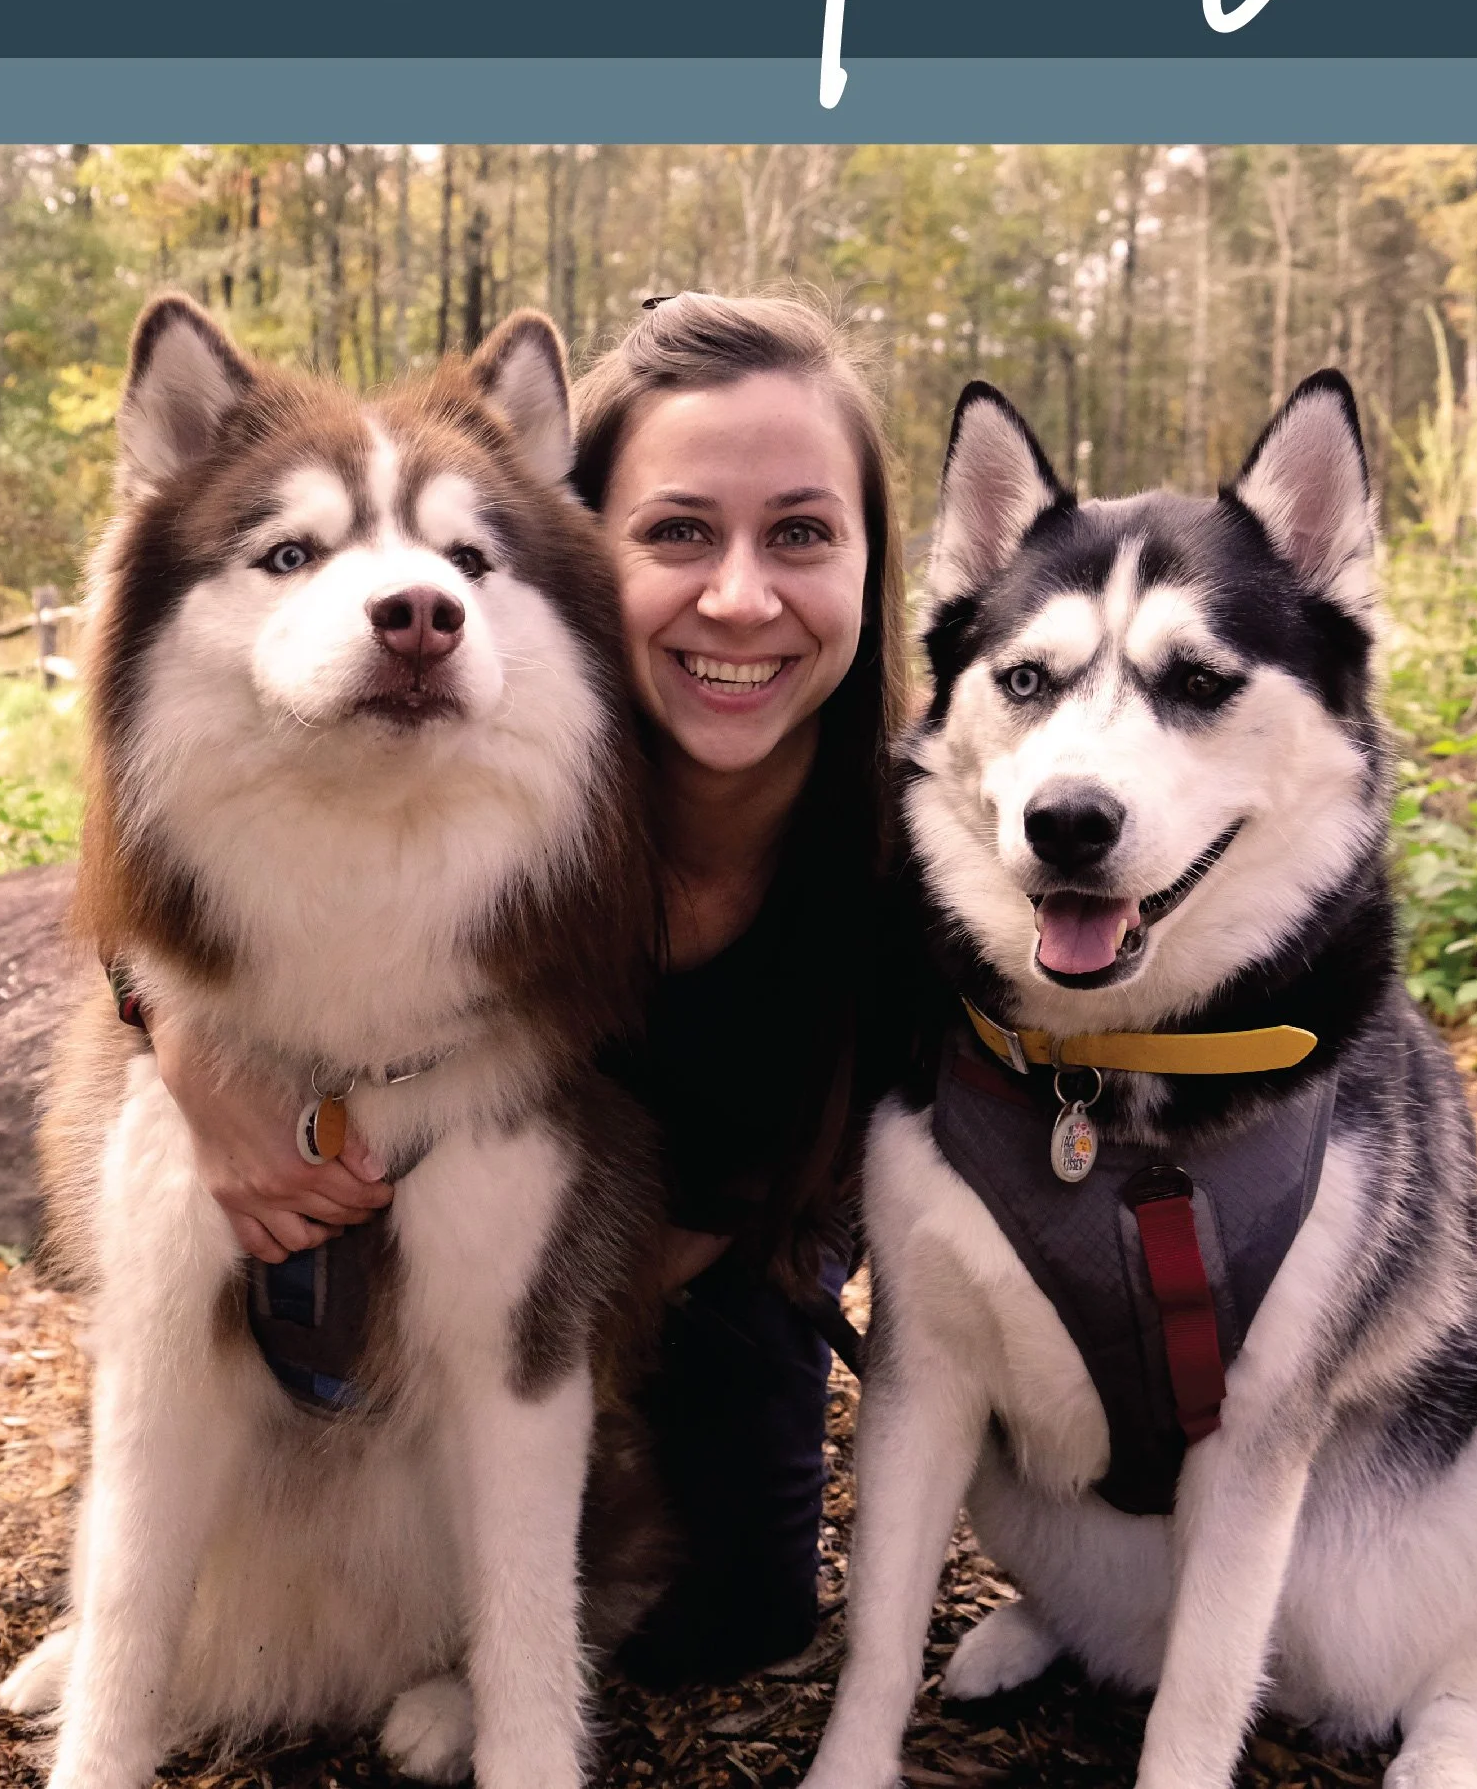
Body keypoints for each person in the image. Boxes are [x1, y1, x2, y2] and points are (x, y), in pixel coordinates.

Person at [139, 290, 913, 1687]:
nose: (738, 596)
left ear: (869, 560)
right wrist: (182, 1039)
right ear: (573, 539)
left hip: (712, 1272)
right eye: (676, 531)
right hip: (411, 1243)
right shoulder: (462, 767)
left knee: (724, 1620)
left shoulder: (918, 843)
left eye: (800, 532)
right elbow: (168, 853)